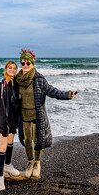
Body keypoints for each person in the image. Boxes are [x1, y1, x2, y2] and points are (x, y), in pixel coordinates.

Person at [16, 49, 77, 180]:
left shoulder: (39, 79)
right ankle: (30, 163)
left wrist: (67, 94)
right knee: (27, 141)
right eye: (23, 63)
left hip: (37, 116)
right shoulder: (18, 80)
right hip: (24, 117)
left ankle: (37, 163)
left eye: (28, 63)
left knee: (38, 141)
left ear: (32, 64)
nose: (25, 65)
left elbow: (52, 91)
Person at [0, 61, 21, 191]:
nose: (12, 70)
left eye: (14, 68)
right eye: (10, 68)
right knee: (2, 147)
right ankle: (0, 178)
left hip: (12, 120)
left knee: (10, 142)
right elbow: (0, 108)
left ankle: (8, 166)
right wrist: (3, 126)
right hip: (2, 121)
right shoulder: (2, 85)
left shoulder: (15, 84)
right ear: (5, 69)